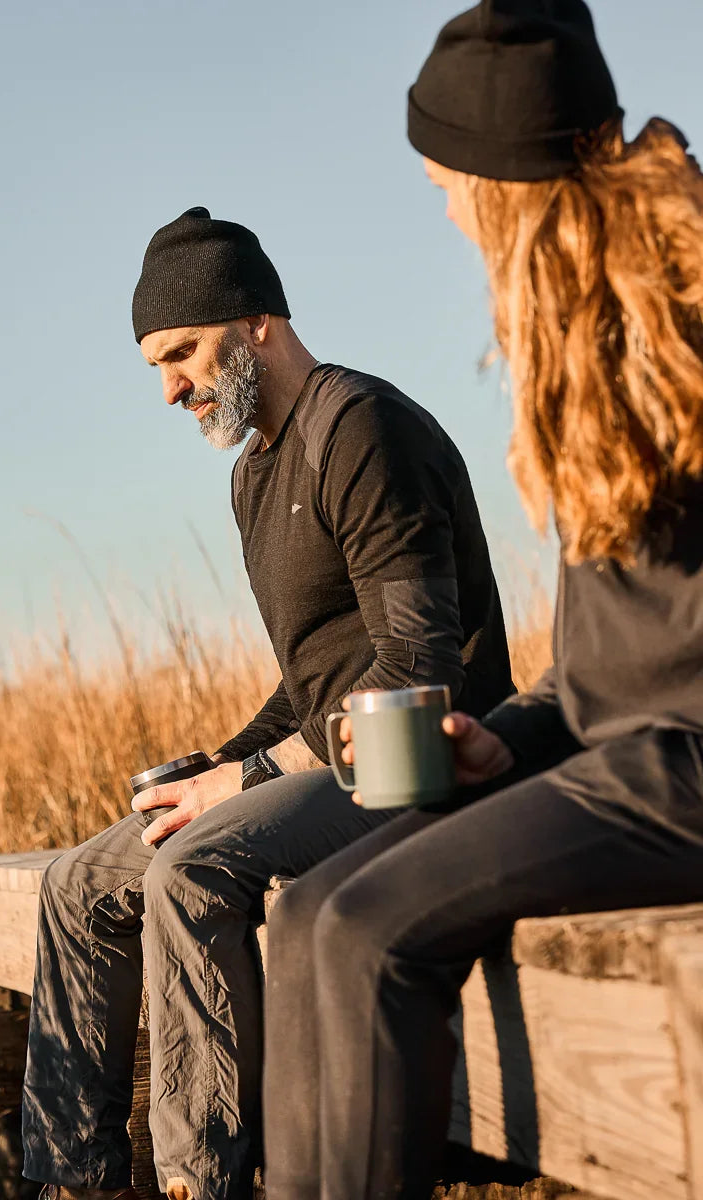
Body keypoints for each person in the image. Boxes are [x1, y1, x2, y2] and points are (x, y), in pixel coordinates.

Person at [261, 3, 703, 1199]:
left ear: (506, 180)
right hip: (629, 765)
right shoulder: (586, 348)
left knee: (367, 933)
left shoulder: (686, 330)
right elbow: (595, 676)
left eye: (447, 181)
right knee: (306, 913)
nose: (447, 211)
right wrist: (491, 746)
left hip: (686, 772)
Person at [22, 207, 514, 1200]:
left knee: (197, 866)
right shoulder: (254, 474)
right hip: (331, 758)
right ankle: (70, 1181)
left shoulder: (363, 429)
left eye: (181, 353)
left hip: (425, 760)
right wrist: (220, 762)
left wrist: (244, 785)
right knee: (76, 885)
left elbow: (419, 667)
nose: (167, 389)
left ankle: (202, 1181)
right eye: (154, 365)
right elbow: (309, 677)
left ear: (256, 324)